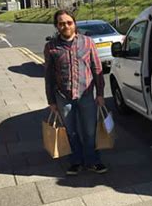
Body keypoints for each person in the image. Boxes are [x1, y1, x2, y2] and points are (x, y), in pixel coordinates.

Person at [44, 10, 107, 175]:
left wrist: (100, 94)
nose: (66, 26)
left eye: (69, 22)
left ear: (74, 23)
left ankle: (93, 161)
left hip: (86, 94)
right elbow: (49, 75)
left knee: (89, 131)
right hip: (63, 97)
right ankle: (76, 161)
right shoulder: (51, 47)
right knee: (70, 131)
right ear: (57, 26)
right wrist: (51, 101)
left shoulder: (87, 42)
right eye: (61, 23)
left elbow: (97, 68)